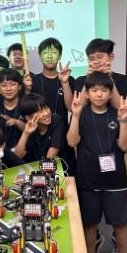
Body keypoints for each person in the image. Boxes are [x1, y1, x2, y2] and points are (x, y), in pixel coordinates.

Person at [67, 72, 127, 253]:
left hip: (116, 180)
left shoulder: (117, 113)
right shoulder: (81, 114)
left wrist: (123, 122)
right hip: (88, 178)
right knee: (90, 224)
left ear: (110, 93)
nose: (99, 94)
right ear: (87, 93)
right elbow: (72, 141)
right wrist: (75, 116)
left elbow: (125, 146)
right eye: (94, 90)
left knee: (120, 224)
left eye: (104, 90)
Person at [29, 37, 76, 174]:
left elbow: (70, 107)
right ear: (40, 56)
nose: (49, 56)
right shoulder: (33, 81)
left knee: (66, 178)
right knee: (39, 178)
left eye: (54, 52)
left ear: (60, 55)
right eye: (45, 53)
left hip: (63, 137)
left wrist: (65, 83)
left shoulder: (69, 80)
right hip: (39, 137)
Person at [74, 38, 127, 109]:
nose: (96, 61)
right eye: (91, 59)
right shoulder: (80, 80)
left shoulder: (122, 79)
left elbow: (120, 107)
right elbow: (79, 107)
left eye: (100, 57)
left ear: (111, 57)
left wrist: (109, 78)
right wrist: (88, 79)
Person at [14, 93, 64, 163]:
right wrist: (26, 133)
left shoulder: (56, 120)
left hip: (60, 167)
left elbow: (52, 153)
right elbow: (18, 156)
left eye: (46, 108)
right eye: (40, 112)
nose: (46, 113)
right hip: (39, 167)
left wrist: (43, 169)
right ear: (28, 117)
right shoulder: (31, 128)